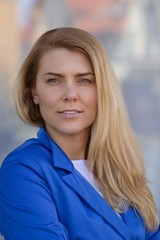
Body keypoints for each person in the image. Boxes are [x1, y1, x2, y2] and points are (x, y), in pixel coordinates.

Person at [0, 27, 159, 240]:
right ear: (34, 92)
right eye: (54, 80)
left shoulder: (121, 166)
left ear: (102, 89)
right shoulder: (23, 170)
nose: (70, 95)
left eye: (84, 80)